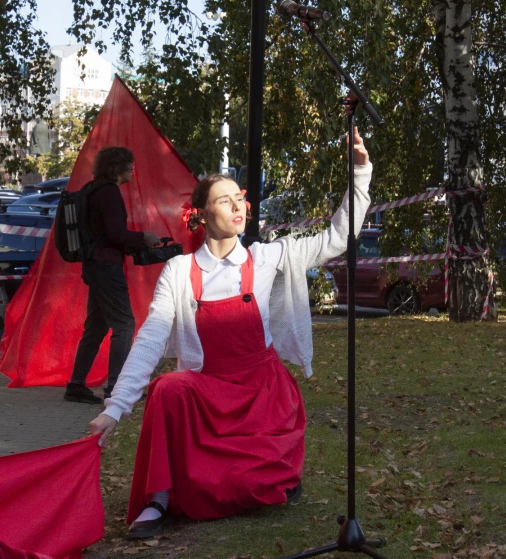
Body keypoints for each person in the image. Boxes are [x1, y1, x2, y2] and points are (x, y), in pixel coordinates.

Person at [88, 128, 372, 538]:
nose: (238, 205)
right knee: (168, 387)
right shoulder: (179, 271)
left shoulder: (269, 255)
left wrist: (359, 172)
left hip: (261, 397)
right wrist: (115, 408)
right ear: (201, 214)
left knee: (250, 489)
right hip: (208, 394)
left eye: (240, 198)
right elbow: (151, 337)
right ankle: (159, 500)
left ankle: (266, 474)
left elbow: (336, 238)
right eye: (225, 200)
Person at [64, 147, 160, 404]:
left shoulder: (92, 189)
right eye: (130, 165)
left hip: (94, 265)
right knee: (125, 325)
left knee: (95, 327)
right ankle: (117, 387)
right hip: (106, 266)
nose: (132, 169)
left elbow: (103, 233)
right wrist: (144, 238)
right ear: (118, 167)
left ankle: (75, 385)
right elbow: (116, 234)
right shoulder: (108, 192)